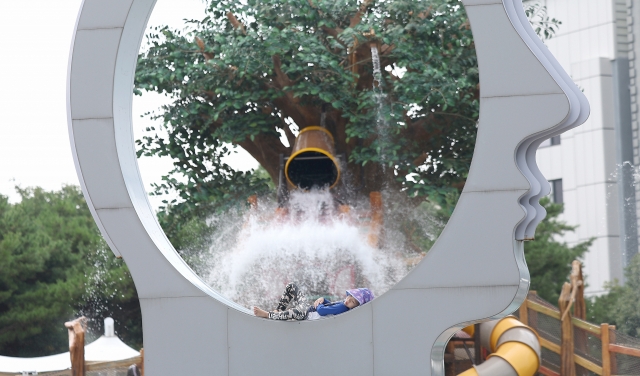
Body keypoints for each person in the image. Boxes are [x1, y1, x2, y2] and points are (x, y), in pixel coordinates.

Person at [252, 282, 374, 321]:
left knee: (293, 312)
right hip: (307, 309)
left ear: (355, 306)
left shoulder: (343, 308)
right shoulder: (343, 304)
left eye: (352, 302)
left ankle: (268, 315)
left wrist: (320, 304)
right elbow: (329, 305)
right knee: (292, 287)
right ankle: (279, 309)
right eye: (349, 297)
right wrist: (322, 299)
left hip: (307, 315)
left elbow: (321, 311)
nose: (348, 301)